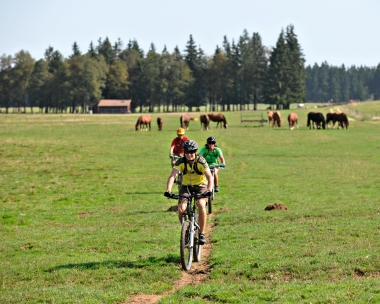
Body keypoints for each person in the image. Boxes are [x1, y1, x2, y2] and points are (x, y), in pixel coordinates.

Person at [164, 140, 213, 245]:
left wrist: (208, 190)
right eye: (187, 152)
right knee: (181, 209)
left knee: (201, 204)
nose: (189, 154)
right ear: (184, 153)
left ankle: (202, 234)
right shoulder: (181, 162)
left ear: (195, 152)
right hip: (186, 187)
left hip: (201, 186)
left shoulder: (201, 161)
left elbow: (209, 176)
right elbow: (173, 176)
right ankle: (186, 230)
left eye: (192, 152)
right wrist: (168, 190)